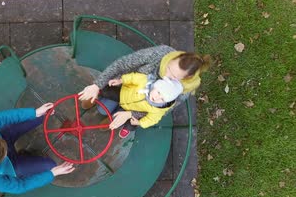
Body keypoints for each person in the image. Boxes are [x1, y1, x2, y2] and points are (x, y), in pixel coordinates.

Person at [78, 45, 211, 132]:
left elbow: (160, 112)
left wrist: (131, 114)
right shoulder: (161, 54)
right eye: (169, 68)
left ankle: (110, 120)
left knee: (117, 118)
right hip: (125, 89)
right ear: (173, 57)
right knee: (102, 108)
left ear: (186, 78)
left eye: (174, 77)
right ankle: (92, 99)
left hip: (138, 108)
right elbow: (123, 64)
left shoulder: (182, 91)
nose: (166, 76)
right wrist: (97, 84)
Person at [0, 103, 75, 194]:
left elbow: (0, 118)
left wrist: (35, 112)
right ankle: (26, 157)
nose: (7, 148)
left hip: (2, 138)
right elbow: (20, 186)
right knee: (51, 166)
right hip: (11, 166)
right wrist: (52, 173)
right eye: (5, 152)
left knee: (42, 115)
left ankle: (25, 153)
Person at [101, 73, 183, 138]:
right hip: (124, 95)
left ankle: (127, 128)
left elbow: (152, 120)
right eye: (158, 92)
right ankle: (99, 92)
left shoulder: (159, 109)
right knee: (108, 92)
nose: (157, 98)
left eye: (162, 99)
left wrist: (140, 123)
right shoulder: (145, 81)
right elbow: (133, 77)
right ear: (155, 86)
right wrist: (122, 80)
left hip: (131, 111)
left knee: (132, 123)